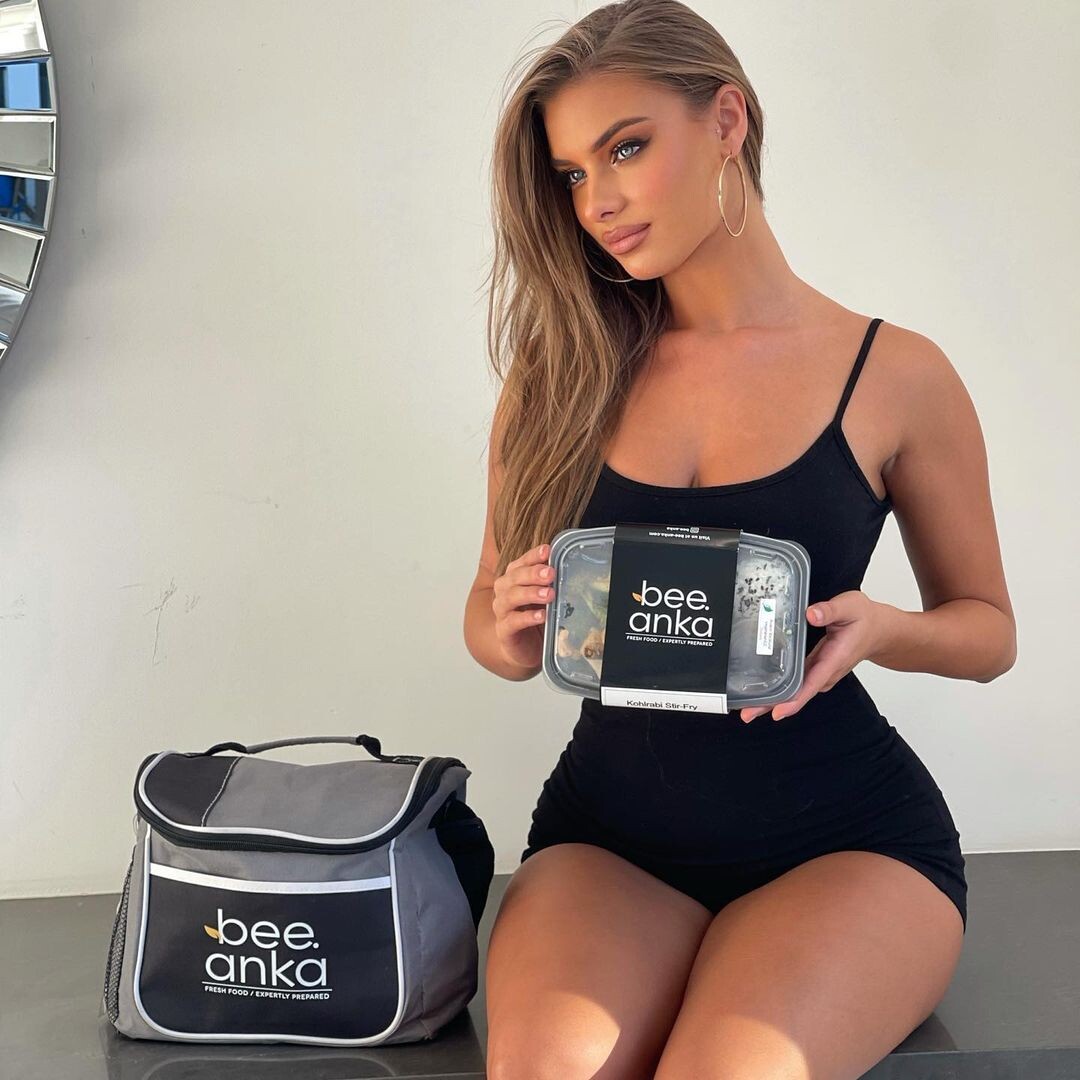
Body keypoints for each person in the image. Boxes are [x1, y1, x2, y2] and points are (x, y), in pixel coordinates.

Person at [461, 2, 1017, 1076]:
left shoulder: (896, 374)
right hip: (611, 840)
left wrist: (882, 628)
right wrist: (511, 624)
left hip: (847, 844)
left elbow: (989, 631)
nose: (598, 200)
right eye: (572, 174)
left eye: (626, 148)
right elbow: (490, 622)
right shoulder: (558, 374)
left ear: (726, 120)